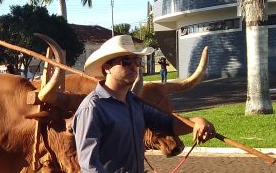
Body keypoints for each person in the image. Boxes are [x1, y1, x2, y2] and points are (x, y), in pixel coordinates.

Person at [73, 35, 215, 173]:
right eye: (126, 61)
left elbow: (169, 125)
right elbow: (89, 165)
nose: (134, 66)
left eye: (137, 60)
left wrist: (197, 122)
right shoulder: (92, 108)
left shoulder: (135, 103)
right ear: (107, 68)